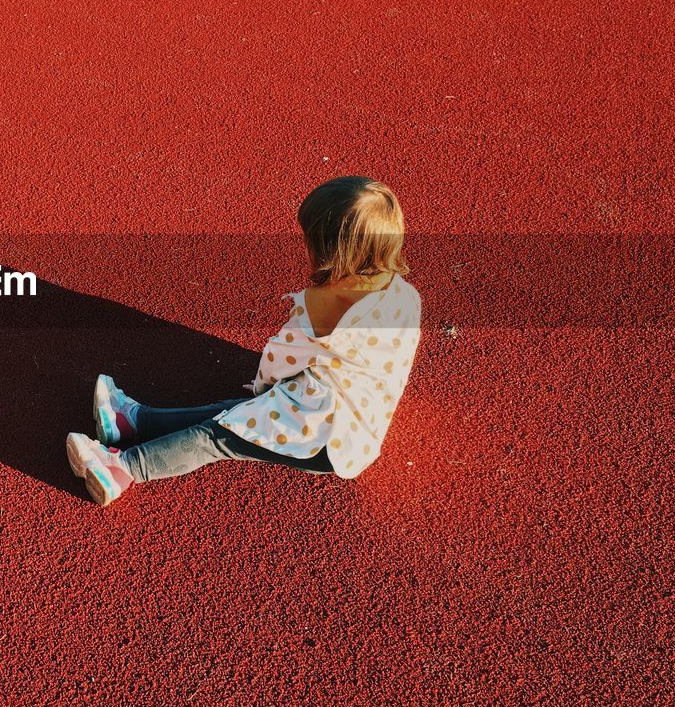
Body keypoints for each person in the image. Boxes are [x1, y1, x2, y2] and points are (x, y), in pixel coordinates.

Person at [66, 176, 422, 506]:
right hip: (360, 424)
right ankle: (132, 421)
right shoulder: (405, 296)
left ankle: (122, 469)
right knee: (230, 415)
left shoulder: (325, 301)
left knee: (218, 436)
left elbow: (280, 358)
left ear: (330, 249)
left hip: (324, 433)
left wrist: (263, 387)